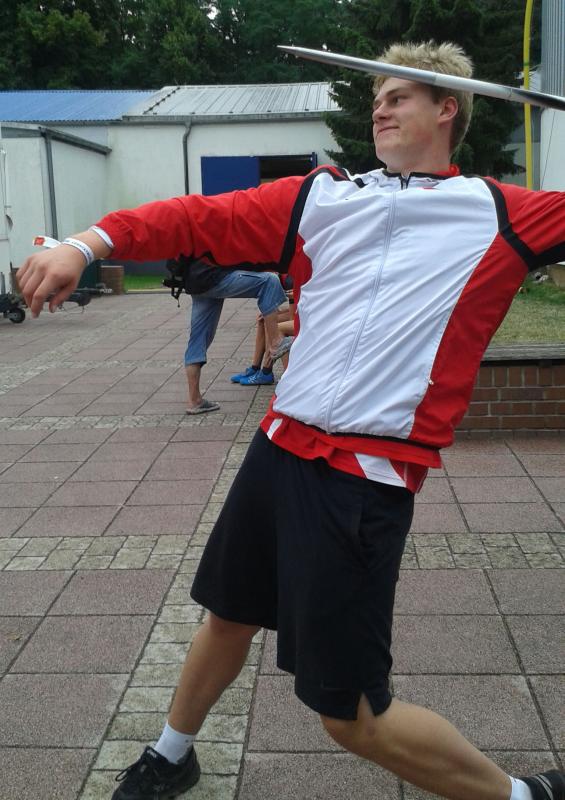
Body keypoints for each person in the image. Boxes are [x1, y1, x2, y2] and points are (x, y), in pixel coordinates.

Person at [17, 40, 565, 800]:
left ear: (448, 108)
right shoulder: (322, 197)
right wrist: (88, 243)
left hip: (363, 476)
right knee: (227, 615)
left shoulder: (504, 213)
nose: (379, 109)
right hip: (278, 447)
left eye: (398, 96)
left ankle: (524, 796)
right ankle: (172, 756)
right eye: (375, 98)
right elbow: (193, 216)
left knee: (353, 717)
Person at [179, 258, 288, 412]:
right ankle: (276, 342)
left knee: (197, 339)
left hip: (196, 281)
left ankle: (194, 400)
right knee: (270, 281)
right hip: (214, 277)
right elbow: (236, 255)